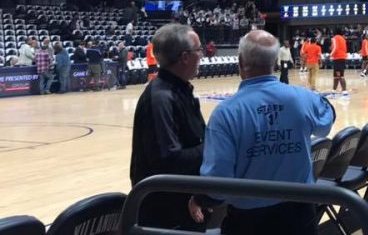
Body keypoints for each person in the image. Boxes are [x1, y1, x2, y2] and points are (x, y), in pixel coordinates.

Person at [187, 31, 335, 235]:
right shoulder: (303, 98)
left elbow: (217, 181)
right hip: (300, 213)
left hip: (249, 221)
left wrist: (199, 199)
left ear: (240, 62)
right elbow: (327, 122)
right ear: (275, 62)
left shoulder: (226, 113)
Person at [130, 24, 206, 231]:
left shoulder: (180, 90)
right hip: (166, 214)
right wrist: (212, 147)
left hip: (183, 204)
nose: (202, 55)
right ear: (184, 57)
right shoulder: (161, 98)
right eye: (199, 50)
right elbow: (169, 160)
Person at [330, 29, 348, 96]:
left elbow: (335, 48)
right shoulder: (343, 39)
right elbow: (345, 49)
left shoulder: (335, 38)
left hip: (338, 58)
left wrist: (330, 55)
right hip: (342, 57)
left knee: (340, 76)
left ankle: (344, 91)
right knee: (336, 76)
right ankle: (334, 91)